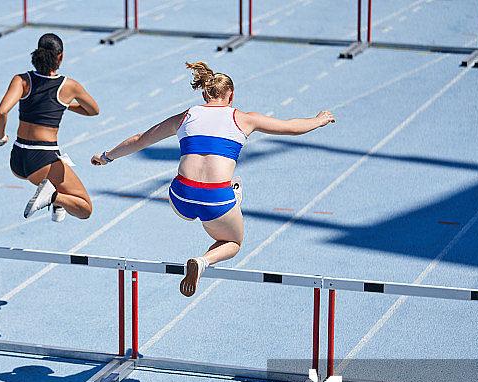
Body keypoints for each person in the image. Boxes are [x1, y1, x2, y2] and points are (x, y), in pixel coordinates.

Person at [92, 61, 334, 297]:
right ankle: (202, 261)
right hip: (215, 200)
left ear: (205, 95)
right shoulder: (244, 118)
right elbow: (291, 127)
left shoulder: (186, 116)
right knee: (233, 242)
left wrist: (106, 156)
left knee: (217, 187)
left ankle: (230, 196)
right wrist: (319, 120)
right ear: (231, 95)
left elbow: (140, 139)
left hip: (180, 196)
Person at [0, 33, 100, 222]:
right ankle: (53, 197)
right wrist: (64, 103)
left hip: (18, 159)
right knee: (85, 209)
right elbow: (93, 110)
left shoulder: (21, 80)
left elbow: (2, 111)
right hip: (42, 159)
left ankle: (57, 198)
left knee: (60, 171)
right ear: (61, 56)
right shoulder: (69, 86)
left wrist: (0, 137)